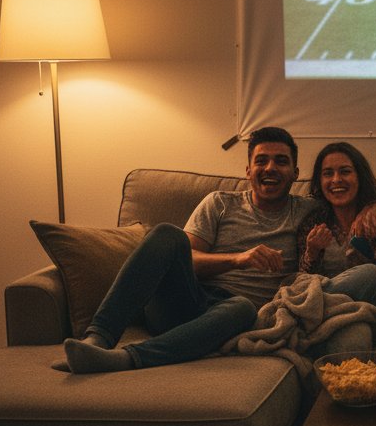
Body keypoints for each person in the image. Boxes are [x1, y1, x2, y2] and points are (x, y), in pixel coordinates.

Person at [59, 127, 320, 374]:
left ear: (295, 173)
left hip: (232, 317)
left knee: (242, 307)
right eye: (261, 161)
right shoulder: (219, 203)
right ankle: (96, 339)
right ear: (248, 170)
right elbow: (188, 259)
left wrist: (363, 213)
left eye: (281, 161)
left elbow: (346, 205)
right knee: (167, 234)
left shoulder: (307, 212)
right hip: (185, 301)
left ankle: (127, 359)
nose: (270, 168)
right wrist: (238, 259)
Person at [297, 141, 376, 311]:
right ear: (320, 181)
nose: (336, 180)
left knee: (371, 274)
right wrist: (311, 254)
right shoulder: (314, 221)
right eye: (328, 173)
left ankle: (321, 305)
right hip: (328, 319)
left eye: (345, 172)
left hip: (372, 308)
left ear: (359, 176)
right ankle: (323, 307)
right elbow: (304, 281)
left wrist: (363, 253)